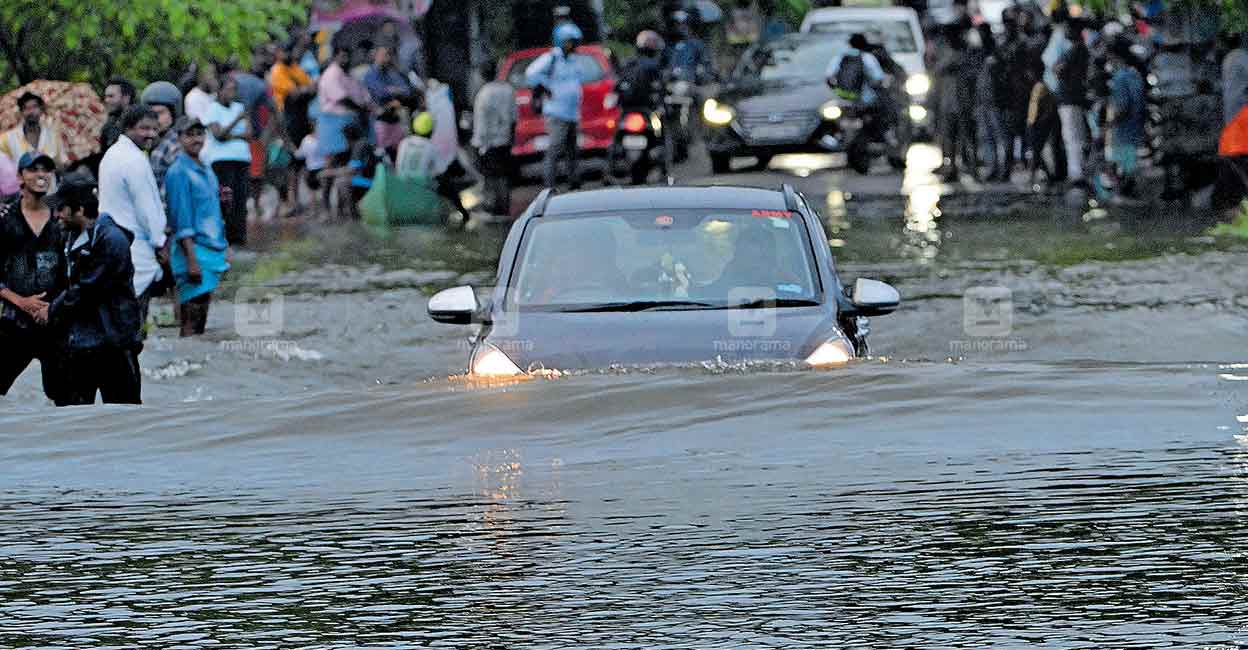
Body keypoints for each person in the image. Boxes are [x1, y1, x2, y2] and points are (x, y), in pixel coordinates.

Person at [40, 176, 144, 406]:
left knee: (125, 418)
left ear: (79, 209)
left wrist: (51, 310)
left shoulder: (111, 240)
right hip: (80, 345)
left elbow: (88, 289)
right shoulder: (69, 237)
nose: (56, 215)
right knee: (71, 421)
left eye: (61, 209)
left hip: (113, 344)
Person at [0, 151, 66, 402]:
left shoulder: (62, 216)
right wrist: (21, 302)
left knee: (65, 400)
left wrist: (54, 306)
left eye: (46, 170)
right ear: (19, 177)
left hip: (55, 320)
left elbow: (72, 271)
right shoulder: (6, 219)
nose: (41, 175)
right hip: (14, 322)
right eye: (33, 169)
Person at [97, 105, 168, 324]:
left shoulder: (113, 154)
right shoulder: (134, 160)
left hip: (113, 247)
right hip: (137, 250)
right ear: (127, 128)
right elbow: (147, 209)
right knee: (134, 325)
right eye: (144, 128)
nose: (150, 134)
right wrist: (160, 242)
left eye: (154, 129)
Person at [164, 117, 229, 337]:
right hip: (192, 251)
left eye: (199, 134)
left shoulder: (207, 168)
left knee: (202, 315)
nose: (196, 139)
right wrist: (191, 260)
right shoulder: (178, 172)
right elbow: (180, 220)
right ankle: (186, 363)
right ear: (179, 138)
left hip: (211, 249)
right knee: (191, 320)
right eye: (189, 134)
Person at [527, 22, 589, 191]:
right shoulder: (551, 58)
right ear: (561, 41)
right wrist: (546, 86)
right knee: (555, 149)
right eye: (570, 41)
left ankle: (574, 183)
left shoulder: (573, 60)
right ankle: (549, 186)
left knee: (572, 151)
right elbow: (531, 73)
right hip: (556, 113)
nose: (574, 45)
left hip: (572, 113)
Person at [200, 76, 252, 246]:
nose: (232, 93)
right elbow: (218, 135)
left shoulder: (240, 107)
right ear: (220, 91)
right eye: (228, 89)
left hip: (241, 159)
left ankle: (239, 238)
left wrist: (231, 135)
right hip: (221, 160)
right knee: (225, 199)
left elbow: (249, 135)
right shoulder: (213, 108)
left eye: (234, 90)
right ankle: (224, 237)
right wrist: (237, 121)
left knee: (240, 199)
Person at [472, 58, 517, 216]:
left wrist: (478, 146)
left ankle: (493, 208)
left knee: (491, 177)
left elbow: (481, 124)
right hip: (504, 140)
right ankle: (504, 208)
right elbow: (513, 119)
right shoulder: (508, 90)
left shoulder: (483, 95)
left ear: (483, 75)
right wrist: (511, 139)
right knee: (504, 175)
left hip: (488, 143)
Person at [1105, 38, 1145, 198]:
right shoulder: (1135, 74)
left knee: (1120, 174)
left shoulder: (1120, 78)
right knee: (1129, 171)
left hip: (1122, 132)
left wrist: (1108, 125)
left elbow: (1122, 107)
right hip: (1135, 130)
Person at [364, 44, 418, 158]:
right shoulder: (370, 74)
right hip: (380, 120)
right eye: (383, 55)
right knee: (382, 154)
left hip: (395, 120)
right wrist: (394, 92)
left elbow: (406, 90)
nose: (387, 58)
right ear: (375, 55)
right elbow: (380, 94)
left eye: (388, 55)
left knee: (400, 152)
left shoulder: (392, 72)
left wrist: (390, 90)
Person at [1055, 18, 1091, 187]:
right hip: (1073, 98)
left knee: (1073, 137)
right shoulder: (1078, 49)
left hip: (1071, 98)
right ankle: (1078, 172)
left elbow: (1058, 68)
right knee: (1075, 136)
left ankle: (1077, 174)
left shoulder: (1076, 49)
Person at [0, 92, 70, 167]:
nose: (31, 112)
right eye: (26, 108)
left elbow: (64, 162)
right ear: (21, 112)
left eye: (35, 107)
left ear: (41, 110)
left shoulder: (53, 136)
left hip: (49, 178)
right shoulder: (7, 139)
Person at [140, 81, 184, 195]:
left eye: (160, 113)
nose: (155, 119)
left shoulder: (174, 145)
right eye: (151, 114)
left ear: (173, 114)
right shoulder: (151, 143)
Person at [618, 31, 666, 112]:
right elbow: (659, 86)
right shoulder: (653, 65)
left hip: (626, 107)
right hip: (646, 107)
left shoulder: (626, 62)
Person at [100, 77, 137, 152]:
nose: (106, 100)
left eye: (111, 96)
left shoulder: (139, 123)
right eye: (106, 96)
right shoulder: (109, 123)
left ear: (126, 98)